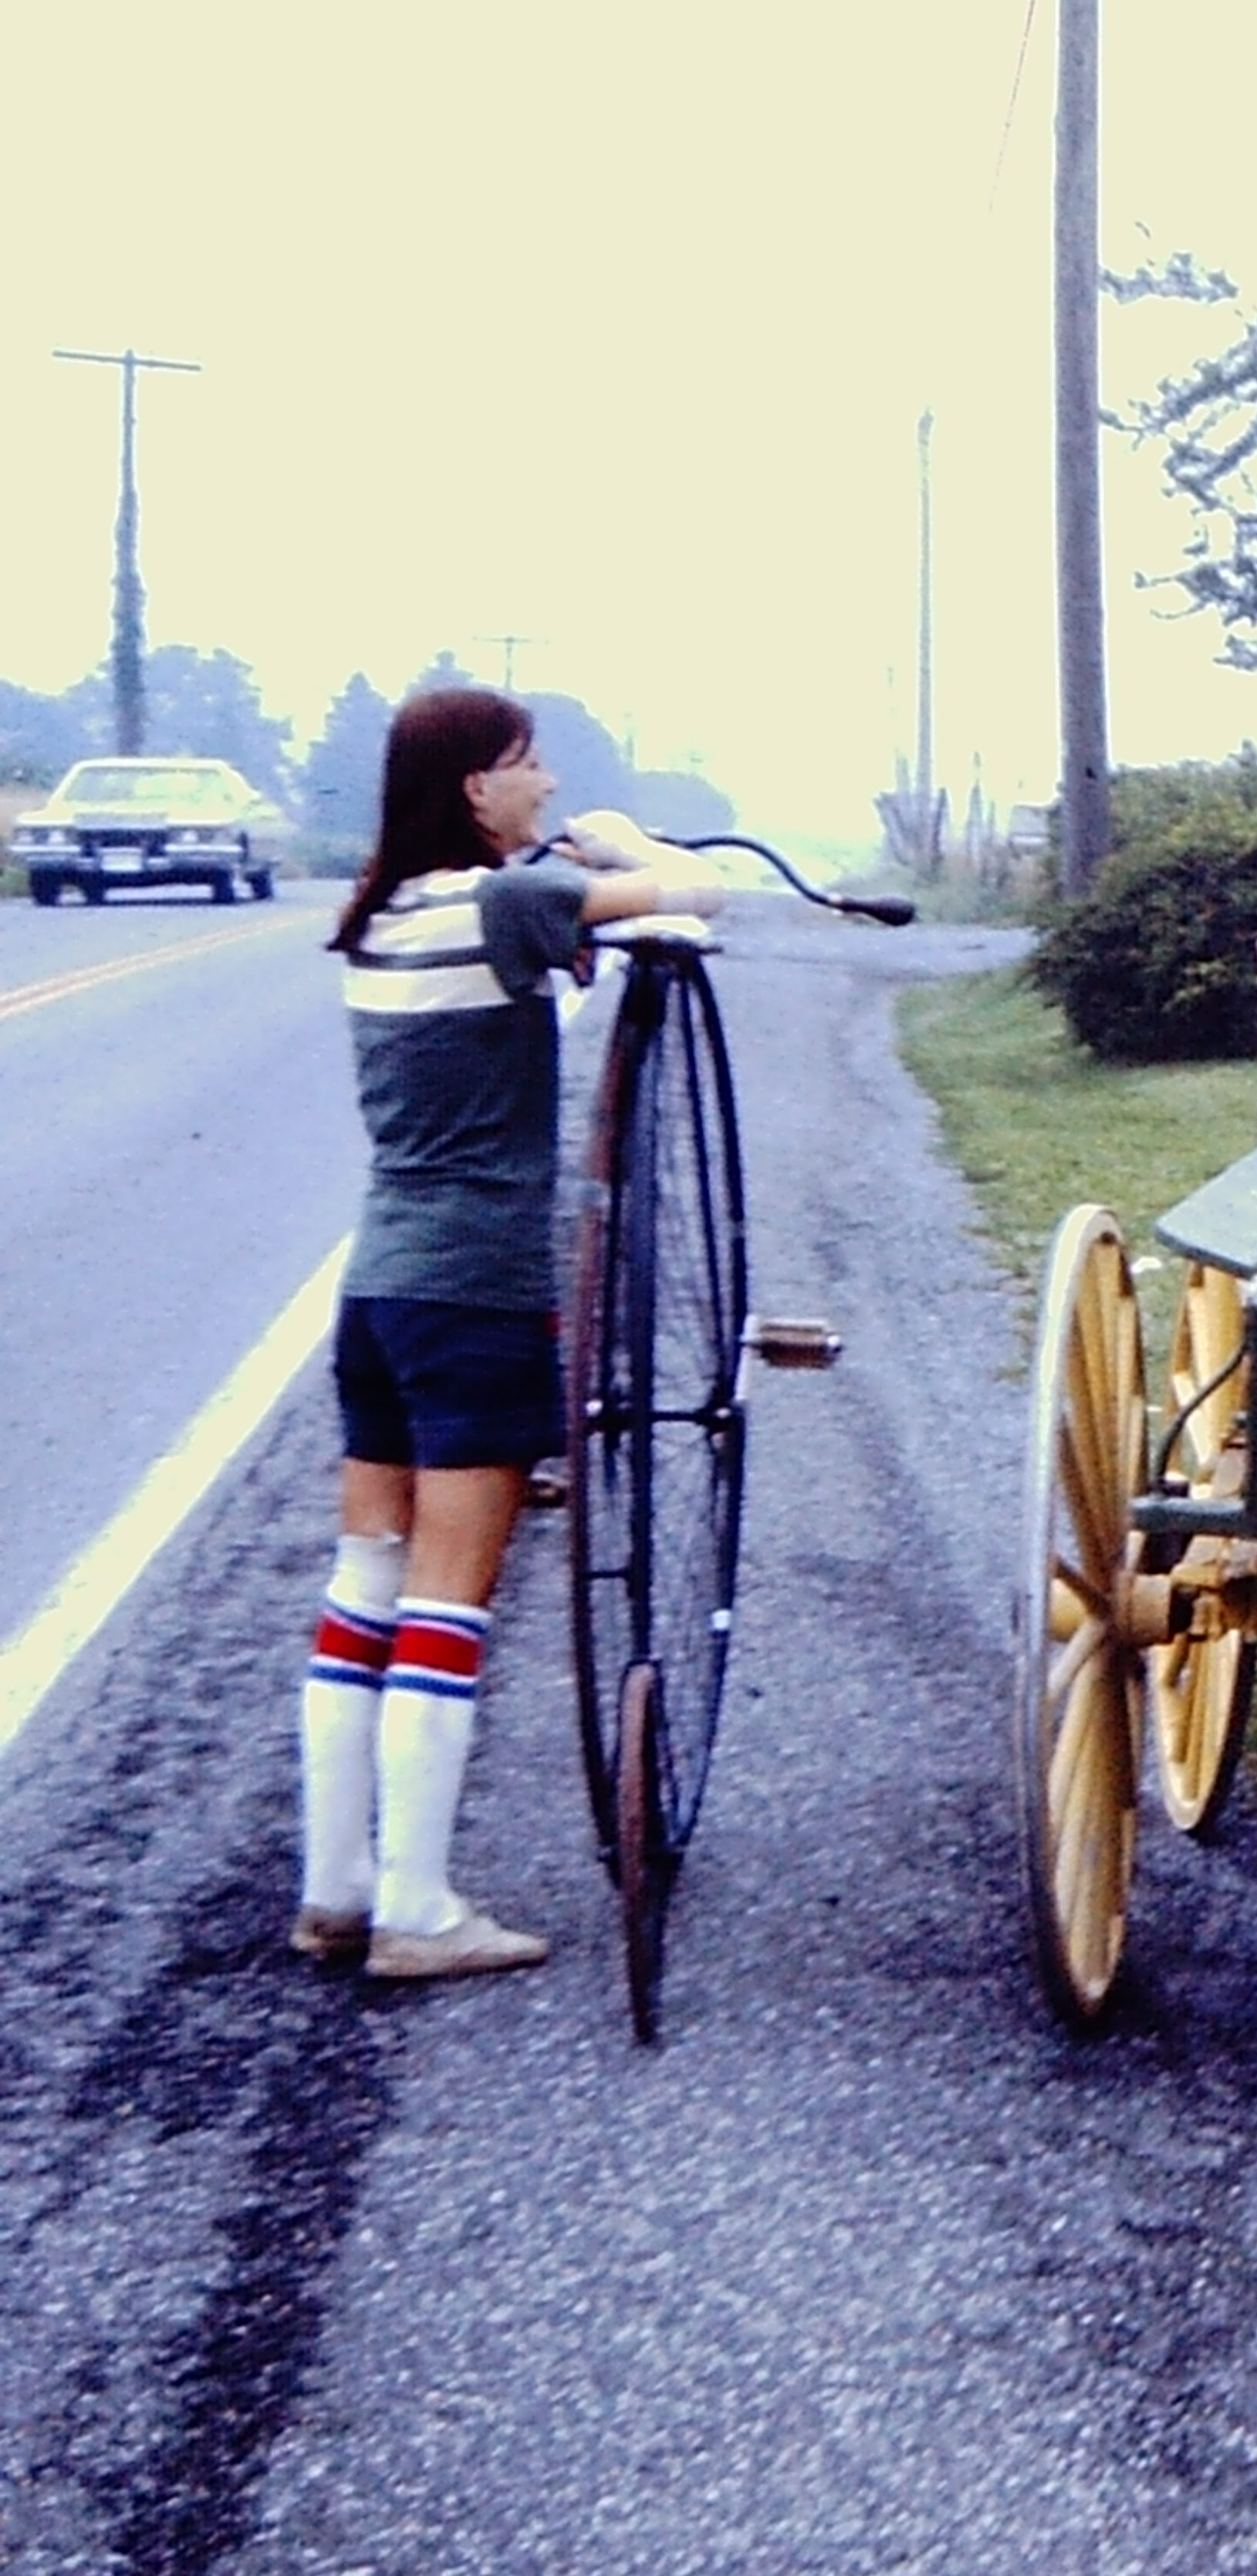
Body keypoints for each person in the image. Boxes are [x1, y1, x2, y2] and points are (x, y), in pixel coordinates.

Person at [297, 687, 727, 1982]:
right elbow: (699, 898)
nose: (541, 781)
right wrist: (617, 843)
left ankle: (337, 1886)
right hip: (476, 1294)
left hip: (377, 1291)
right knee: (448, 1601)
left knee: (361, 1586)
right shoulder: (499, 905)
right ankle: (420, 1911)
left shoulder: (381, 907)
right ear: (474, 789)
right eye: (526, 764)